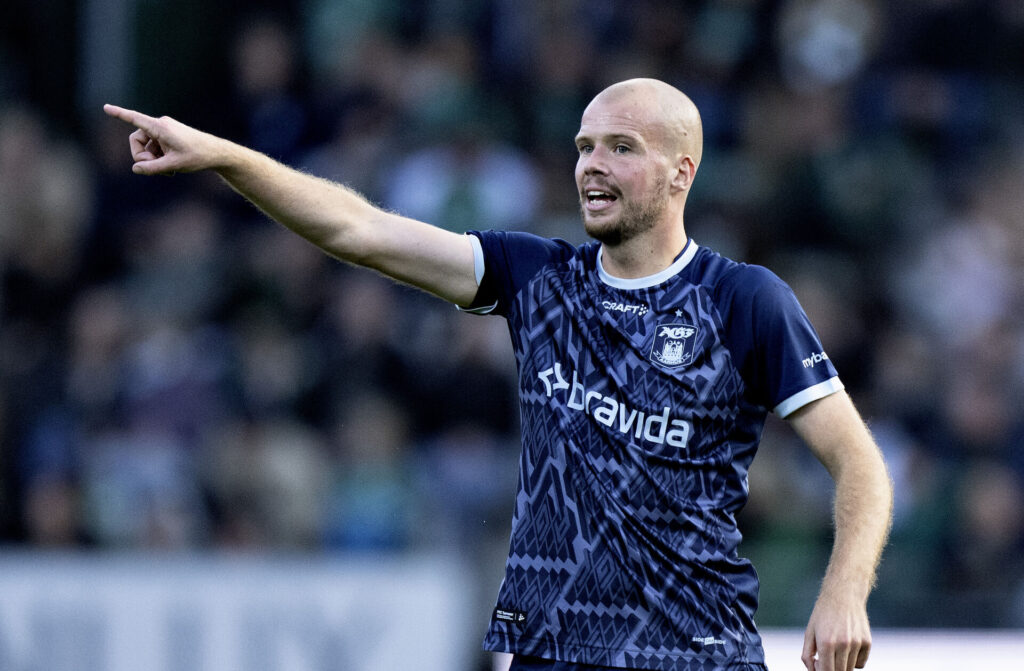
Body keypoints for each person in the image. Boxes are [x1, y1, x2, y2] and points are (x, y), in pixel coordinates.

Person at [104, 77, 893, 671]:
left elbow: (858, 459)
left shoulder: (742, 299)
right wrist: (225, 157)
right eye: (584, 146)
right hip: (549, 648)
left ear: (682, 170)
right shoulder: (537, 277)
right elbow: (360, 229)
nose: (593, 164)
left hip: (693, 649)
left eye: (622, 147)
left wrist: (845, 588)